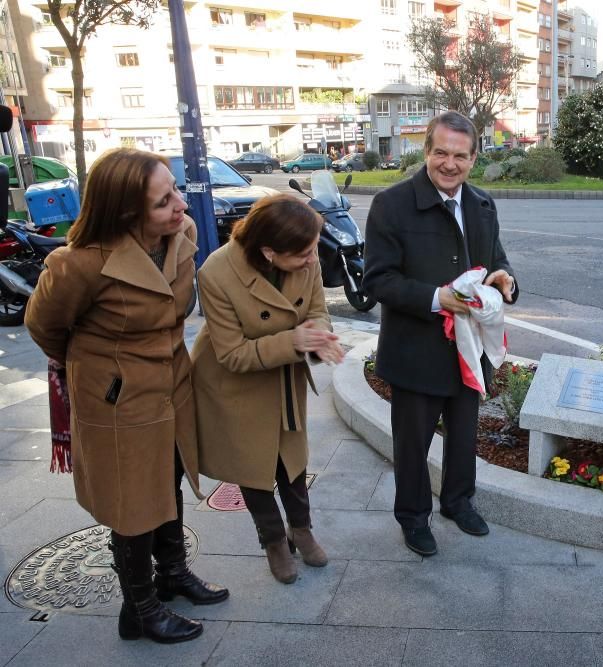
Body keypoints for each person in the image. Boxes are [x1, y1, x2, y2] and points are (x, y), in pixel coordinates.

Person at [25, 148, 228, 644]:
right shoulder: (79, 264)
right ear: (126, 213)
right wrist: (102, 374)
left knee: (168, 481)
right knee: (132, 503)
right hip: (117, 400)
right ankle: (139, 609)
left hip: (172, 385)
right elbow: (45, 327)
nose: (180, 205)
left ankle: (173, 574)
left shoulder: (182, 236)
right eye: (163, 202)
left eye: (175, 190)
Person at [363, 111, 518, 557]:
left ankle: (457, 501)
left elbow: (497, 260)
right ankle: (413, 518)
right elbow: (377, 281)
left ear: (474, 158)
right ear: (426, 151)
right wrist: (437, 298)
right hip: (415, 351)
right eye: (441, 153)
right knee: (412, 446)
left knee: (465, 435)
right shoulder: (391, 205)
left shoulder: (483, 205)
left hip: (468, 351)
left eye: (460, 156)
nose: (449, 164)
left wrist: (506, 280)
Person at [192, 195, 343, 584]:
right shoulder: (216, 272)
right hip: (235, 384)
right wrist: (295, 341)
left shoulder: (305, 256)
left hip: (284, 378)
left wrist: (319, 334)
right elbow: (233, 354)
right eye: (304, 254)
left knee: (293, 462)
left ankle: (302, 529)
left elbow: (316, 307)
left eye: (314, 250)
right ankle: (274, 540)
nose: (313, 260)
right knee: (254, 467)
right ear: (270, 252)